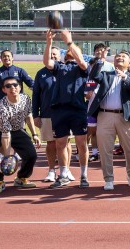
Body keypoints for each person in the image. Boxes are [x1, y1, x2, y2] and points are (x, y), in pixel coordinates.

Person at [88, 49, 130, 190]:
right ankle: (108, 179)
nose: (119, 58)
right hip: (105, 115)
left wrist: (125, 77)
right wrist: (100, 60)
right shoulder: (106, 75)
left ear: (129, 62)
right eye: (117, 56)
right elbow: (94, 75)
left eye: (123, 56)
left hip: (124, 117)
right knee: (105, 149)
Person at [43, 30, 91, 188]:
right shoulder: (60, 66)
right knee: (60, 143)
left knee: (81, 143)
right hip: (60, 109)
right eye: (68, 51)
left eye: (73, 50)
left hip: (77, 109)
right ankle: (63, 175)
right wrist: (49, 42)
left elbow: (82, 61)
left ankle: (83, 175)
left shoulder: (82, 68)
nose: (70, 52)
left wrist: (69, 42)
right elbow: (47, 62)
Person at [0, 76, 41, 193]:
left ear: (20, 87)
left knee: (31, 155)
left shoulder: (26, 99)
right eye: (8, 86)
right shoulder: (1, 108)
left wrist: (34, 134)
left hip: (17, 130)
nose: (12, 88)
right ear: (4, 90)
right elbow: (6, 135)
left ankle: (21, 178)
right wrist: (7, 157)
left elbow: (28, 116)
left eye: (15, 85)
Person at [33, 46, 67, 183]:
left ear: (60, 57)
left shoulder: (66, 70)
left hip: (65, 113)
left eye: (55, 54)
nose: (53, 56)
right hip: (47, 113)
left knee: (66, 143)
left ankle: (66, 170)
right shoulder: (41, 73)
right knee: (51, 144)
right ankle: (51, 171)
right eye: (50, 54)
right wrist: (36, 114)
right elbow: (36, 95)